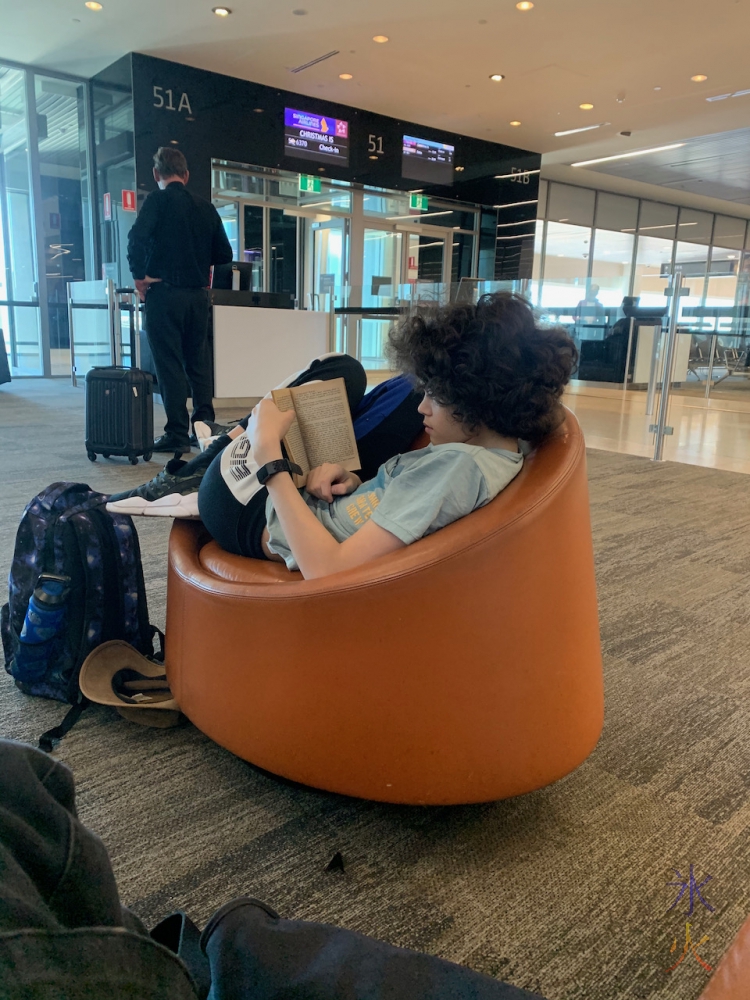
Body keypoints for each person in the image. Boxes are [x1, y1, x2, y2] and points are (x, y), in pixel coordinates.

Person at [107, 294, 577, 580]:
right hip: (302, 506)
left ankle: (199, 467)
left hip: (249, 517)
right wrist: (357, 488)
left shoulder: (457, 470)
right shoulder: (492, 458)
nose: (422, 408)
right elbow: (395, 509)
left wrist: (272, 463)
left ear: (477, 401)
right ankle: (211, 456)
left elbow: (328, 571)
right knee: (334, 375)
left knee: (265, 423)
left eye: (435, 395)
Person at [127, 147, 233, 455]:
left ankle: (176, 432)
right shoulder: (205, 207)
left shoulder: (156, 201)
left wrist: (139, 275)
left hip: (165, 294)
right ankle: (206, 426)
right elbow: (224, 255)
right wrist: (197, 260)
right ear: (186, 175)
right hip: (198, 296)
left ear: (156, 174)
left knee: (169, 362)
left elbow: (137, 238)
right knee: (198, 362)